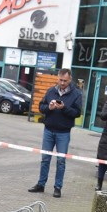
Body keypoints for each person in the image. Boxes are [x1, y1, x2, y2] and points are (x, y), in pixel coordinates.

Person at [28, 68, 82, 198]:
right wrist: (49, 108)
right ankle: (41, 184)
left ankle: (58, 187)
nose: (62, 83)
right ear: (57, 78)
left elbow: (77, 113)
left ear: (70, 80)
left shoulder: (76, 94)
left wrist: (64, 108)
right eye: (60, 80)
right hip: (48, 130)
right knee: (45, 159)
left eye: (65, 81)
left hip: (63, 133)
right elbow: (41, 107)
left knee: (61, 161)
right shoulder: (51, 91)